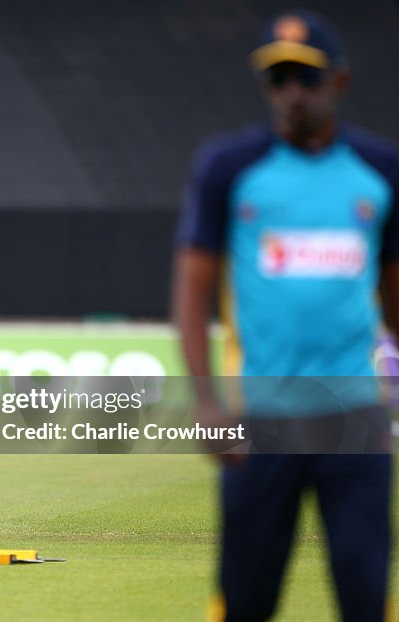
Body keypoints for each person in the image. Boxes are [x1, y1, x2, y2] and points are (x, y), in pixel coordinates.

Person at [173, 11, 395, 621]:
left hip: (356, 424)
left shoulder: (380, 171)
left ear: (340, 82)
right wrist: (207, 404)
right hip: (260, 421)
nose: (292, 93)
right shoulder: (229, 167)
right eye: (278, 80)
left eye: (306, 77)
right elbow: (192, 291)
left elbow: (396, 296)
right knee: (246, 603)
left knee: (365, 599)